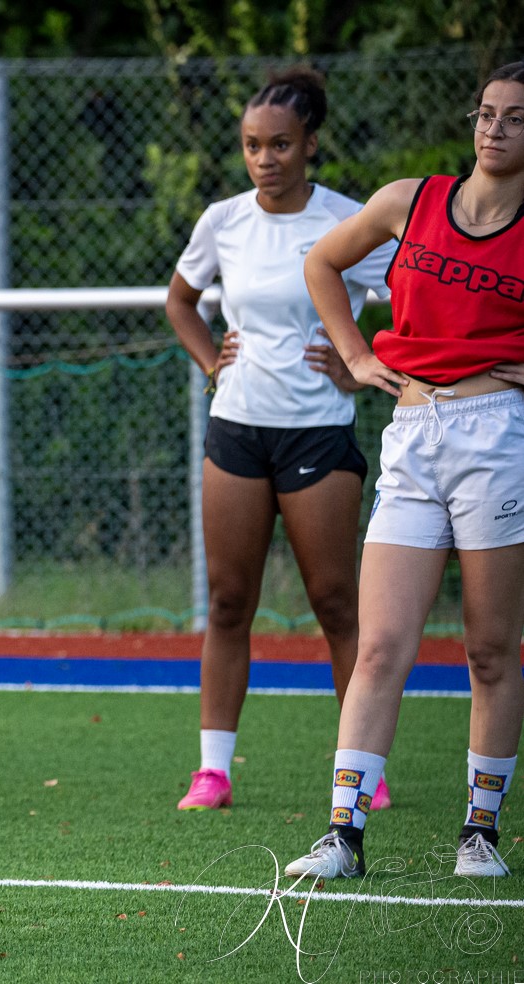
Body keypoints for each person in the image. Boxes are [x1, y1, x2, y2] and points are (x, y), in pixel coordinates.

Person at [284, 62, 524, 880]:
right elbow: (320, 266)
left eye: (514, 118)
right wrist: (353, 354)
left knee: (491, 650)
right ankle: (343, 835)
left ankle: (480, 832)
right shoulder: (409, 200)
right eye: (485, 112)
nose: (494, 129)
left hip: (499, 438)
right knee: (381, 644)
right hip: (414, 430)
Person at [165, 68, 395, 812]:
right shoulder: (223, 219)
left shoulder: (348, 221)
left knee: (335, 603)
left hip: (320, 435)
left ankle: (366, 766)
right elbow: (181, 300)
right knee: (230, 602)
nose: (264, 159)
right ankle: (213, 772)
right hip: (236, 430)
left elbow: (417, 301)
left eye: (281, 145)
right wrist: (210, 361)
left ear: (311, 146)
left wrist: (363, 362)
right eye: (252, 145)